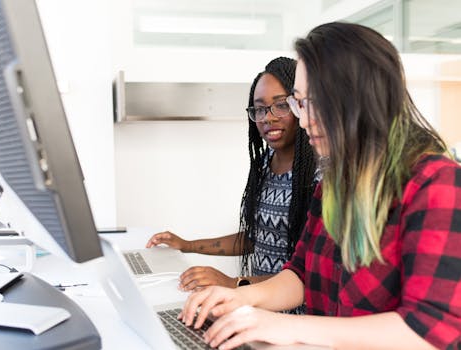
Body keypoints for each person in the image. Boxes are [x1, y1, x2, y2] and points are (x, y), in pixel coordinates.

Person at [179, 22, 461, 350]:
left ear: (360, 97)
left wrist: (287, 325)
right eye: (299, 103)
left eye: (313, 102)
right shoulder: (334, 184)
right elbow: (299, 273)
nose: (304, 118)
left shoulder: (437, 184)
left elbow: (427, 330)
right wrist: (239, 297)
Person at [146, 57, 319, 298]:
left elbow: (309, 273)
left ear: (299, 105)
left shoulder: (319, 176)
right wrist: (187, 245)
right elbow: (253, 239)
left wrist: (233, 283)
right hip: (258, 305)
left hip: (297, 317)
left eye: (281, 105)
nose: (267, 118)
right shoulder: (265, 165)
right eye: (259, 109)